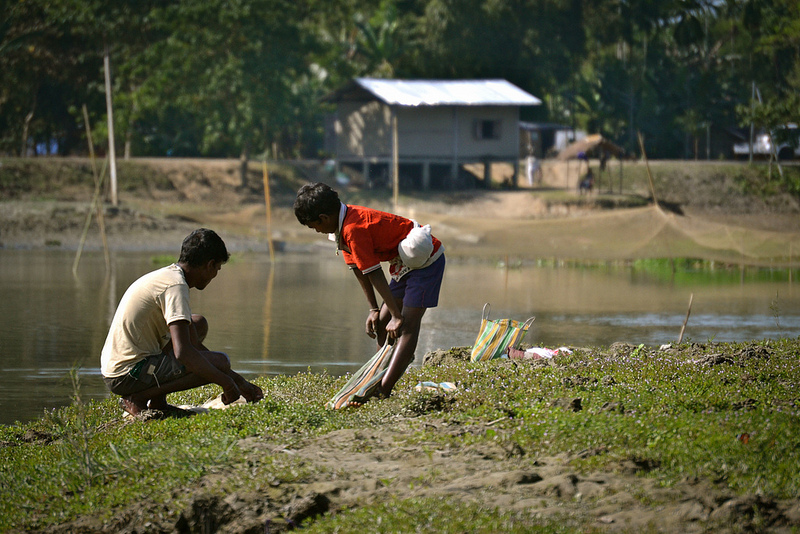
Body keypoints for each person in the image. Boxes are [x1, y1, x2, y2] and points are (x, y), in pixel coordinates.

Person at [294, 182, 446, 405]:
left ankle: (383, 389)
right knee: (381, 323)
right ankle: (377, 375)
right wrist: (375, 310)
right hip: (403, 264)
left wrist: (397, 315)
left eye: (313, 226)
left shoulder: (353, 229)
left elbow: (374, 273)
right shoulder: (340, 229)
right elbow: (358, 269)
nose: (315, 231)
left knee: (406, 327)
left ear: (324, 217)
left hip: (426, 262)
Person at [101, 228, 263, 416]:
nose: (214, 275)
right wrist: (226, 383)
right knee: (220, 361)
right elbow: (184, 353)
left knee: (197, 324)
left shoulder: (171, 276)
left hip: (123, 368)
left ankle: (158, 401)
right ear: (209, 265)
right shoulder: (175, 286)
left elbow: (194, 344)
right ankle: (138, 398)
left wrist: (239, 382)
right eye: (217, 269)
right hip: (126, 374)